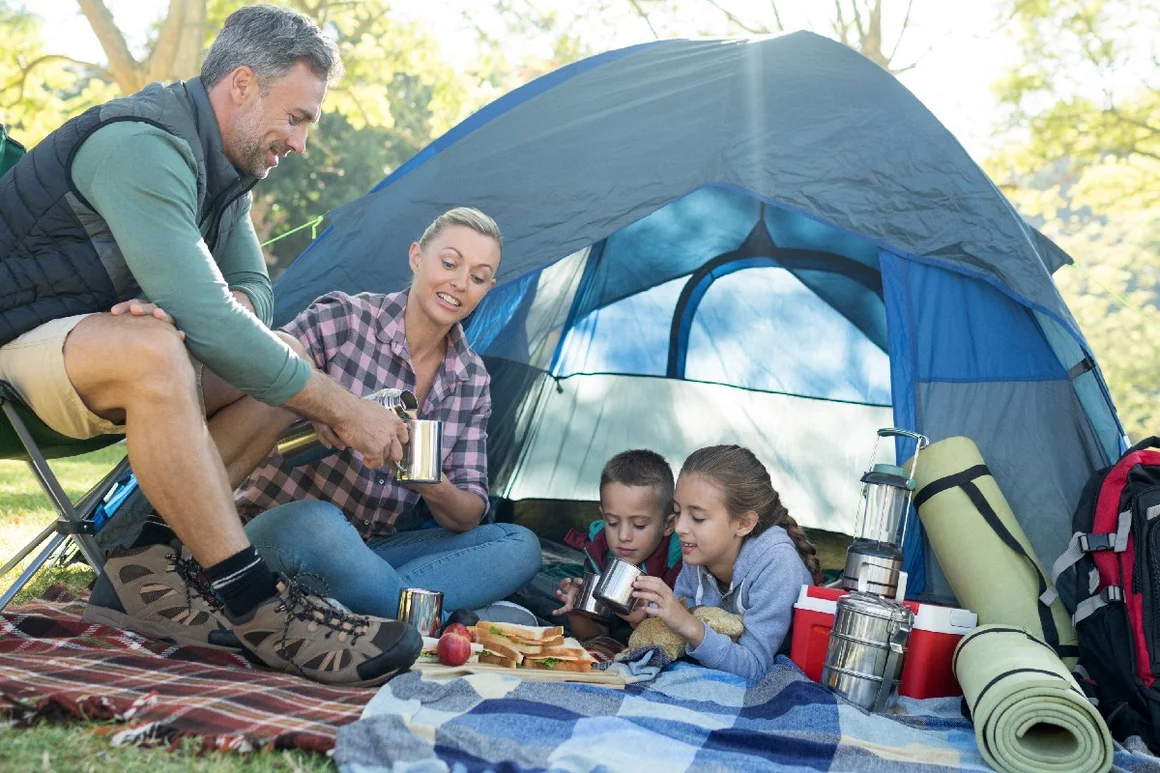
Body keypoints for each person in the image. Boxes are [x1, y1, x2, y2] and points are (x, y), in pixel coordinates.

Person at [0, 5, 421, 686]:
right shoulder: (141, 145)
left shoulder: (224, 175)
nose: (301, 143)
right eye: (297, 118)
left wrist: (193, 312)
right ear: (243, 85)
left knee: (281, 356)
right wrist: (343, 409)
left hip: (91, 350)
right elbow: (215, 320)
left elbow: (252, 296)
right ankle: (255, 603)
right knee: (158, 350)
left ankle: (145, 561)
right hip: (14, 346)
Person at [205, 207, 542, 621]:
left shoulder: (471, 380)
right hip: (281, 529)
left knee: (519, 545)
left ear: (487, 289)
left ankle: (361, 606)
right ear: (417, 257)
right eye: (449, 263)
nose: (459, 283)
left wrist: (429, 481)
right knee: (320, 522)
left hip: (371, 552)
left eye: (477, 277)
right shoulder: (346, 318)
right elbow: (263, 362)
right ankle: (424, 619)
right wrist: (327, 409)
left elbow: (469, 512)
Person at [631, 445, 823, 681]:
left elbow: (754, 666)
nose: (680, 527)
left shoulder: (778, 565)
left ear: (743, 523)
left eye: (698, 517)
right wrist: (648, 614)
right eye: (678, 512)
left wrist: (689, 625)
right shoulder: (697, 550)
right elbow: (677, 631)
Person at [553, 449, 681, 642]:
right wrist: (576, 612)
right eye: (612, 522)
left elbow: (683, 637)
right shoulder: (599, 552)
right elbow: (596, 635)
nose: (623, 536)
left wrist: (642, 620)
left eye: (639, 525)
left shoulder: (680, 564)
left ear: (668, 524)